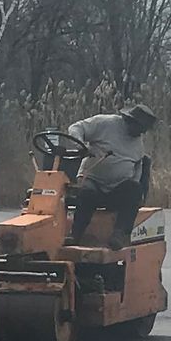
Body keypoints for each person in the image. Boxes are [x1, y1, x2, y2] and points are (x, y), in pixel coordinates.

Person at [64, 101, 156, 242]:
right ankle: (75, 235)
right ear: (130, 120)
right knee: (86, 193)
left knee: (134, 190)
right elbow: (76, 128)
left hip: (116, 189)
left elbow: (138, 167)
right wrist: (80, 145)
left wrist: (135, 189)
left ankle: (119, 234)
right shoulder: (105, 123)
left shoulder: (138, 142)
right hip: (93, 180)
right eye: (140, 128)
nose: (142, 132)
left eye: (144, 130)